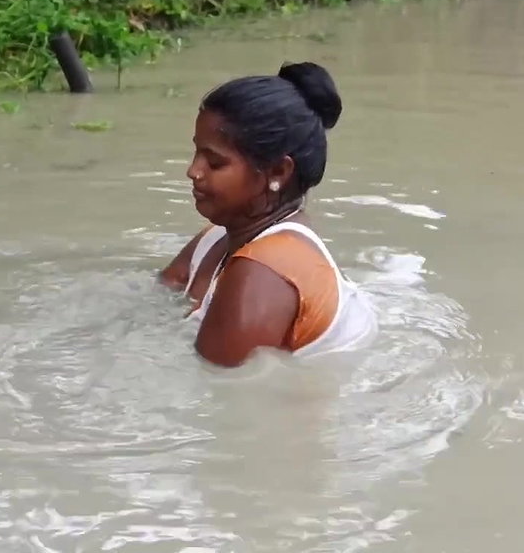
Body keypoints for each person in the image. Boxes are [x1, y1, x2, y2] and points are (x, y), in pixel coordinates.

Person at [158, 61, 378, 368]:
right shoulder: (216, 237)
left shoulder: (264, 274)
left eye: (215, 162)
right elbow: (152, 300)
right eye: (197, 153)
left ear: (278, 171)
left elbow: (211, 393)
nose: (193, 171)